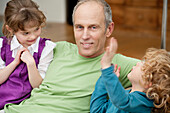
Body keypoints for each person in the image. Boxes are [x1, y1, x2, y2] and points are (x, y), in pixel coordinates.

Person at [4, 0, 139, 113]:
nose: (85, 36)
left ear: (108, 29)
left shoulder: (116, 63)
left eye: (93, 27)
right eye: (79, 27)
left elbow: (157, 72)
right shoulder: (56, 48)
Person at [0, 0, 56, 110]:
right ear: (10, 30)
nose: (33, 36)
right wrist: (15, 62)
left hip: (27, 103)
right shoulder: (2, 45)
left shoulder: (46, 48)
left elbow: (38, 86)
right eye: (26, 33)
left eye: (37, 29)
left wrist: (31, 64)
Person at [90, 38, 170, 113]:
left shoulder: (144, 103)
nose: (138, 63)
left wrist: (107, 69)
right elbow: (97, 110)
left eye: (144, 65)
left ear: (148, 82)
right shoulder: (125, 94)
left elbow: (122, 101)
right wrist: (105, 80)